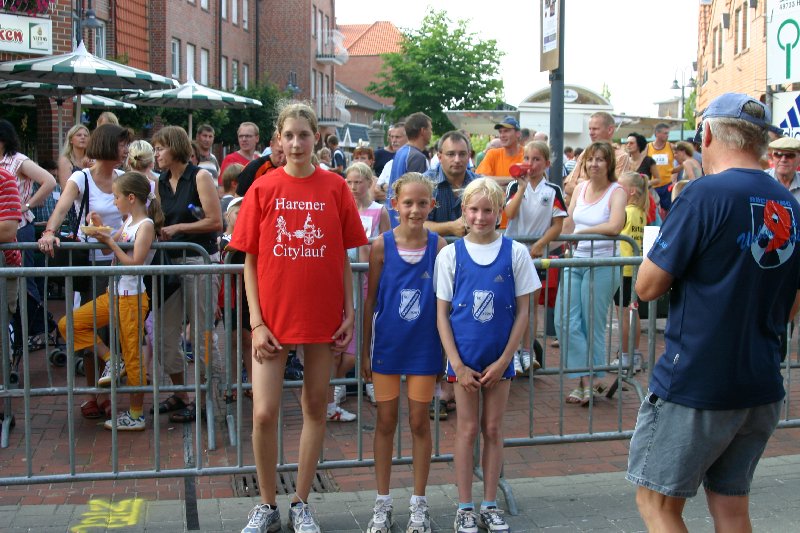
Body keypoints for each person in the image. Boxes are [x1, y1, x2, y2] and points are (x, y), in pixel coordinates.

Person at [628, 92, 800, 532]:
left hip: (697, 380)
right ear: (762, 142)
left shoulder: (704, 195)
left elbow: (647, 286)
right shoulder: (790, 204)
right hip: (761, 380)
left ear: (706, 134)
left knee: (656, 503)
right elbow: (792, 303)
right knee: (730, 505)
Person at [232, 103, 367, 533]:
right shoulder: (263, 188)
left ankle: (301, 501)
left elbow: (343, 255)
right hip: (272, 318)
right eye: (288, 135)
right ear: (278, 138)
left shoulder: (336, 187)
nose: (296, 143)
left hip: (322, 316)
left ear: (316, 138)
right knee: (264, 413)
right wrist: (256, 322)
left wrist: (349, 311)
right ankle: (266, 504)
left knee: (315, 406)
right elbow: (250, 261)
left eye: (303, 135)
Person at [435, 177, 538, 533]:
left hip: (499, 359)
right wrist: (457, 364)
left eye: (488, 210)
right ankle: (464, 506)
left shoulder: (516, 253)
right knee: (466, 430)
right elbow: (442, 315)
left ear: (499, 213)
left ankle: (490, 503)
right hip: (463, 360)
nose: (480, 217)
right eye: (474, 209)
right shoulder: (450, 254)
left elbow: (523, 312)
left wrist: (506, 359)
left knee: (492, 428)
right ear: (464, 211)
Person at [361, 172, 446, 533]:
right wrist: (364, 351)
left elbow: (445, 303)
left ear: (432, 205)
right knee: (385, 421)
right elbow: (370, 301)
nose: (414, 209)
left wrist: (445, 355)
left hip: (424, 348)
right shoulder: (381, 246)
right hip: (388, 346)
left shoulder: (439, 246)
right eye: (408, 203)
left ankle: (419, 503)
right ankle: (382, 502)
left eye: (422, 203)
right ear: (395, 204)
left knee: (419, 421)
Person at [39, 123, 132, 420]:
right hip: (92, 264)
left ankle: (108, 394)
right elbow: (61, 208)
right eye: (121, 144)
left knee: (113, 330)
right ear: (107, 145)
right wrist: (50, 231)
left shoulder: (124, 179)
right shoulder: (81, 177)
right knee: (91, 328)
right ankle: (94, 393)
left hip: (119, 262)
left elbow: (135, 215)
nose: (126, 150)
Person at [70, 172, 162, 431]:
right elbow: (108, 250)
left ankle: (136, 414)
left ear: (131, 198)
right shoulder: (129, 221)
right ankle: (112, 358)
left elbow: (135, 263)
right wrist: (101, 229)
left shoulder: (146, 225)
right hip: (113, 295)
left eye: (116, 197)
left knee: (133, 356)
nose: (114, 202)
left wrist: (110, 240)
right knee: (71, 324)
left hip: (132, 297)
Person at [152, 125, 223, 424]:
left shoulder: (200, 176)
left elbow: (216, 221)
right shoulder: (160, 181)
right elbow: (158, 219)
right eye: (155, 149)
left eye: (161, 148)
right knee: (164, 336)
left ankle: (209, 400)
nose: (156, 154)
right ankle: (181, 393)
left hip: (199, 259)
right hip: (170, 265)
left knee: (203, 335)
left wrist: (180, 228)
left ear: (176, 148)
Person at [555, 141, 626, 406]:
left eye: (600, 159)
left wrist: (583, 233)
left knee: (591, 323)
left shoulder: (617, 191)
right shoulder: (580, 188)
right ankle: (587, 378)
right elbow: (568, 222)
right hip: (576, 260)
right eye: (590, 159)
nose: (594, 164)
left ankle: (588, 382)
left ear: (609, 163)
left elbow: (615, 225)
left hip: (603, 262)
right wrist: (544, 243)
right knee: (564, 321)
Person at [328, 162, 389, 419]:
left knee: (369, 331)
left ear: (368, 182)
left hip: (367, 277)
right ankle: (338, 384)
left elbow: (387, 242)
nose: (353, 187)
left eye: (358, 182)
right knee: (345, 334)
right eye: (350, 182)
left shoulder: (379, 211)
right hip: (344, 279)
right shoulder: (342, 207)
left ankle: (369, 379)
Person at [504, 141, 567, 374]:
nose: (530, 164)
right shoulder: (514, 186)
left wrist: (540, 244)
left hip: (536, 255)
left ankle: (527, 351)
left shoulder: (553, 190)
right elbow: (509, 213)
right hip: (512, 252)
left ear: (546, 163)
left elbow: (557, 225)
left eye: (536, 159)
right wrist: (521, 188)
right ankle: (511, 353)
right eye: (527, 158)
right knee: (511, 304)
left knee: (530, 306)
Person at [607, 171, 648, 375]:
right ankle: (634, 355)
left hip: (624, 269)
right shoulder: (640, 212)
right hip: (633, 269)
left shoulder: (627, 212)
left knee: (624, 314)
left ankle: (624, 357)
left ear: (631, 191)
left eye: (620, 187)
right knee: (632, 312)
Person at [563, 112, 631, 204]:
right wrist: (591, 187)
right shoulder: (585, 153)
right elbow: (568, 187)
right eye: (590, 129)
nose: (591, 133)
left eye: (595, 129)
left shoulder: (621, 156)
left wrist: (580, 182)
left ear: (610, 130)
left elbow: (612, 192)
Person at [387, 113, 432, 226]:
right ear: (423, 131)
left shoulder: (400, 152)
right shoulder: (417, 157)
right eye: (430, 129)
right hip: (406, 222)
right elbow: (418, 193)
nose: (431, 133)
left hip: (394, 217)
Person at [235, 132, 286, 198]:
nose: (283, 158)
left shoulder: (296, 168)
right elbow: (238, 198)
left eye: (287, 153)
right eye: (280, 152)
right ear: (271, 145)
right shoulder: (254, 167)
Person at [476, 116, 524, 185]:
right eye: (500, 132)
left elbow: (529, 182)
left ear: (518, 133)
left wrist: (497, 183)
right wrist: (515, 179)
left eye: (506, 131)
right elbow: (481, 179)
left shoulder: (527, 154)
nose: (502, 135)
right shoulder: (493, 153)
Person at [646, 123, 675, 212]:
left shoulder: (671, 146)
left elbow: (682, 160)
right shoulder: (648, 147)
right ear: (657, 133)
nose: (667, 135)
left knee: (670, 210)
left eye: (668, 133)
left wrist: (674, 177)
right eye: (665, 133)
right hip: (652, 186)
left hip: (667, 185)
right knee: (654, 212)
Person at [766, 136, 800, 202]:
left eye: (790, 155)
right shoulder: (760, 180)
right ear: (772, 157)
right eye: (778, 154)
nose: (783, 159)